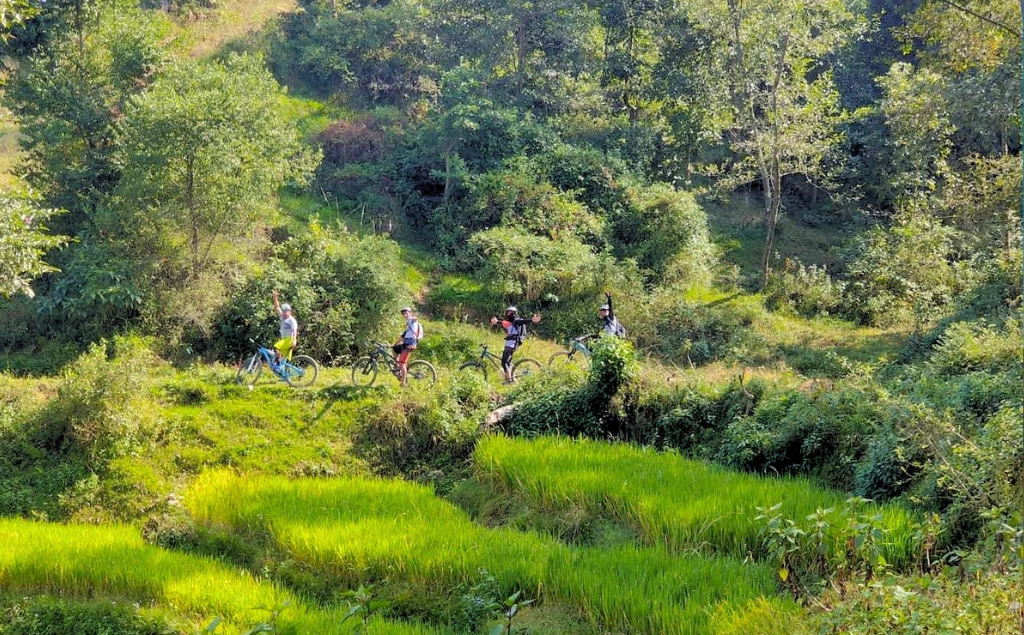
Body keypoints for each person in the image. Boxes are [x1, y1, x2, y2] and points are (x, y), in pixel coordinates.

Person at [490, 306, 540, 383]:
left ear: (513, 313)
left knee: (504, 362)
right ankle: (511, 378)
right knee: (508, 362)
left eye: (508, 313)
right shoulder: (511, 323)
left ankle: (509, 380)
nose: (507, 314)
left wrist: (532, 320)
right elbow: (505, 323)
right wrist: (497, 322)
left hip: (512, 344)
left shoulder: (516, 321)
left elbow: (523, 321)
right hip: (510, 344)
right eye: (506, 313)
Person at [392, 307, 424, 386]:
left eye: (406, 313)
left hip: (410, 344)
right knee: (394, 349)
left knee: (402, 363)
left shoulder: (412, 321)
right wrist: (394, 344)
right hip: (405, 343)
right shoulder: (408, 324)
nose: (405, 315)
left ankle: (403, 383)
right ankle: (397, 367)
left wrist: (413, 318)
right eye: (403, 314)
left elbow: (415, 319)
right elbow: (402, 336)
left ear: (410, 313)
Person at [272, 290, 298, 368]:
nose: (284, 313)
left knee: (276, 347)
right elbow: (277, 307)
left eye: (286, 312)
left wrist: (294, 340)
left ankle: (277, 364)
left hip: (289, 339)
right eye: (283, 312)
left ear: (290, 312)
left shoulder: (291, 320)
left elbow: (294, 331)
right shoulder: (282, 317)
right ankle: (285, 375)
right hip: (285, 339)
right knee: (285, 359)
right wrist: (275, 298)